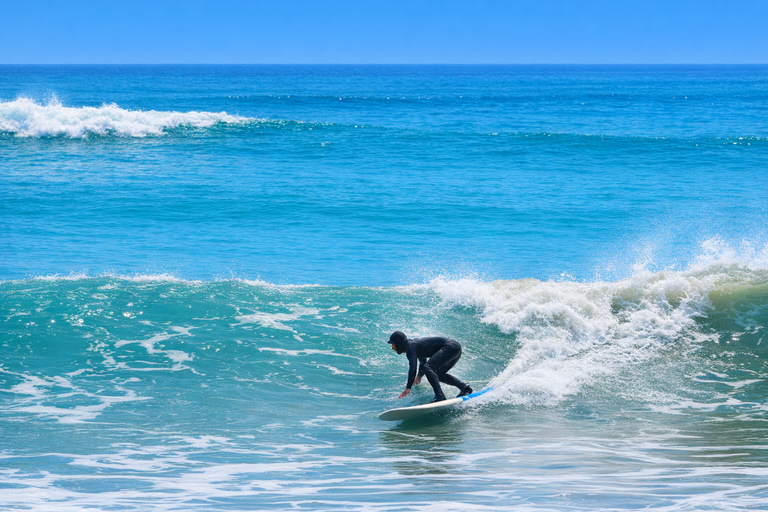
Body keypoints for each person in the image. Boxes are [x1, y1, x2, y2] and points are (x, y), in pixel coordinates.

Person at [387, 331, 473, 402]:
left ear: (398, 343)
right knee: (438, 374)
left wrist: (408, 387)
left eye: (393, 344)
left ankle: (440, 396)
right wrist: (419, 376)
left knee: (428, 368)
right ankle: (465, 388)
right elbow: (422, 362)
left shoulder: (410, 346)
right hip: (455, 348)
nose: (392, 347)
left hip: (450, 347)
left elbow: (413, 367)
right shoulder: (414, 345)